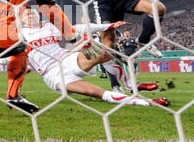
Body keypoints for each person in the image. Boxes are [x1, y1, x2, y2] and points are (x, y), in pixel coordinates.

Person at [22, 7, 169, 106]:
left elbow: (80, 27)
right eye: (26, 14)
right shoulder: (20, 33)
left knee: (104, 54)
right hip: (52, 74)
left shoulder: (51, 26)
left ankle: (131, 85)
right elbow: (11, 54)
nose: (30, 15)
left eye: (32, 13)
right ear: (21, 19)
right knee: (94, 92)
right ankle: (147, 102)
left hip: (68, 60)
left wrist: (108, 26)